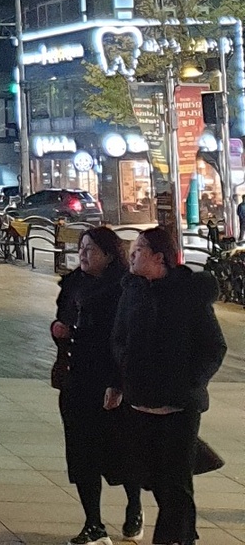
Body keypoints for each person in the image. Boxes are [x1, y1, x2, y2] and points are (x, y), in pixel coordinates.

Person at [109, 226, 227, 545]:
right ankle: (183, 533)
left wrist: (190, 382)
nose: (131, 255)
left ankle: (174, 539)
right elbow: (119, 338)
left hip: (178, 405)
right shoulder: (132, 290)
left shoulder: (188, 294)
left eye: (139, 250)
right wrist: (121, 378)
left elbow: (214, 346)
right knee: (153, 479)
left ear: (158, 258)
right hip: (139, 401)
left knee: (176, 481)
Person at [53, 226, 143, 544]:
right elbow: (62, 318)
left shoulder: (123, 287)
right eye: (82, 248)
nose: (83, 254)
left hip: (112, 380)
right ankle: (94, 524)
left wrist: (117, 383)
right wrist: (59, 329)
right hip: (77, 378)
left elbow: (128, 339)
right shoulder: (74, 284)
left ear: (108, 254)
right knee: (81, 453)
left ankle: (134, 507)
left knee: (120, 451)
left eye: (90, 249)